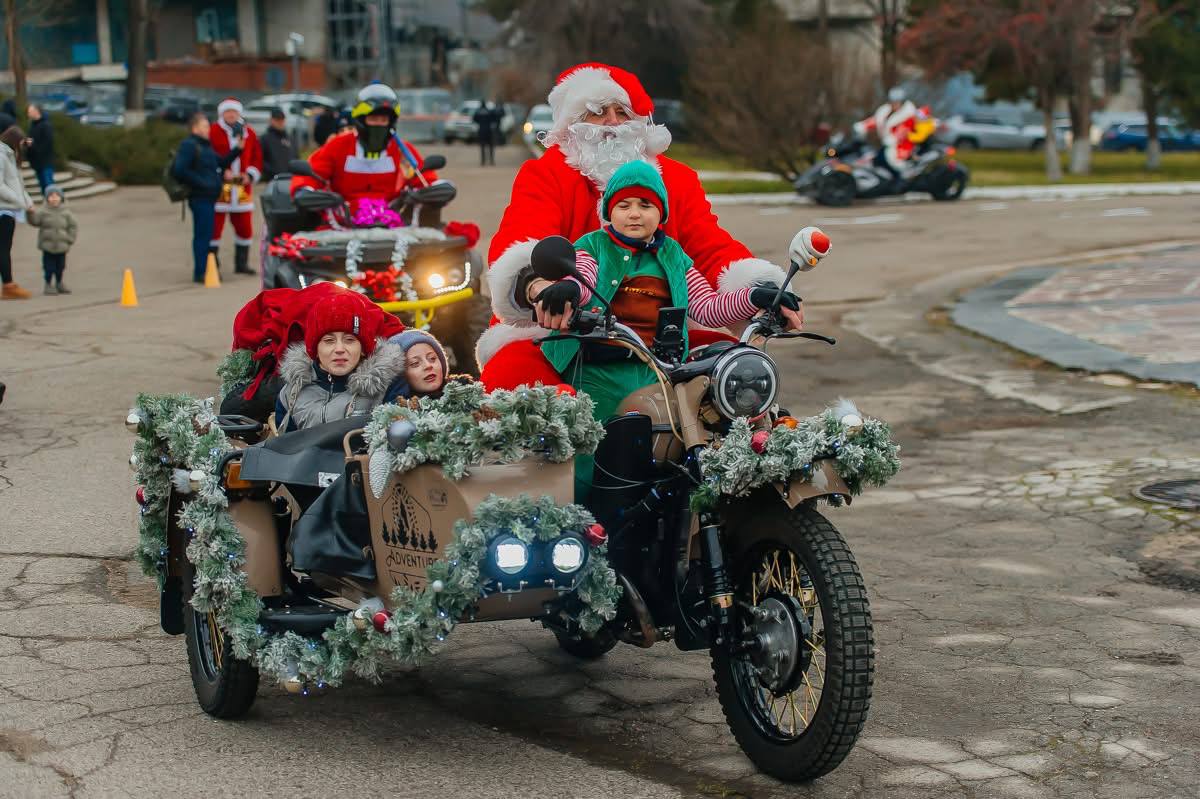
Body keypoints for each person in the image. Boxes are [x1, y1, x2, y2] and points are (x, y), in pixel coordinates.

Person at [478, 62, 802, 393]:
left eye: (624, 111)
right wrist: (540, 287)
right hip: (568, 327)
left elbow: (711, 246)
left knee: (738, 378)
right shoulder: (547, 176)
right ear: (573, 125)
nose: (614, 122)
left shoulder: (676, 180)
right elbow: (524, 239)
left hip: (663, 330)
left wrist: (761, 289)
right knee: (516, 380)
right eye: (598, 111)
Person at [520, 161, 804, 495]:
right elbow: (582, 277)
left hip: (658, 368)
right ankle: (584, 517)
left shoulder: (674, 256)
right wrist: (568, 289)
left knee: (690, 431)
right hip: (600, 366)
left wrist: (754, 296)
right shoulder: (593, 245)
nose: (634, 214)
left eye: (646, 205)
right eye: (623, 206)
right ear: (609, 212)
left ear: (662, 212)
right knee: (590, 442)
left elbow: (707, 307)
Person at [291, 83, 439, 216]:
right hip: (342, 224)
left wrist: (437, 188)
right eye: (373, 119)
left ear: (391, 123)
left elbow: (423, 178)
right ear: (360, 121)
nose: (378, 124)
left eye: (383, 120)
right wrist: (304, 190)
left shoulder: (402, 150)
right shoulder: (338, 146)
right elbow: (312, 174)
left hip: (393, 224)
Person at [274, 290, 406, 433]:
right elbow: (285, 448)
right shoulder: (292, 393)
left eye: (349, 340)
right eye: (329, 341)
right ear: (315, 350)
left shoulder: (388, 387)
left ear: (363, 348)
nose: (339, 349)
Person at [172, 113, 242, 283]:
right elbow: (180, 170)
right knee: (202, 235)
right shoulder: (189, 145)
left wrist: (238, 149)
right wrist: (202, 183)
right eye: (204, 126)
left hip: (210, 197)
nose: (208, 129)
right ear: (195, 128)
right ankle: (201, 272)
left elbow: (222, 162)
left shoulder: (206, 146)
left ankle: (205, 269)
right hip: (199, 197)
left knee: (207, 234)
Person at [209, 98, 263, 275]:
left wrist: (250, 175)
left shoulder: (249, 133)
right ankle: (212, 263)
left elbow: (257, 157)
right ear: (221, 114)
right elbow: (209, 156)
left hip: (241, 187)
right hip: (220, 187)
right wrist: (220, 171)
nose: (231, 115)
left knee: (244, 227)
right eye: (227, 112)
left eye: (234, 112)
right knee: (215, 227)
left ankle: (242, 263)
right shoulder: (213, 132)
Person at [853, 87, 918, 184]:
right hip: (887, 145)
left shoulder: (908, 115)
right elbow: (876, 121)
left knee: (891, 162)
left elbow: (902, 132)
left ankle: (900, 183)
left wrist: (891, 140)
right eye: (893, 102)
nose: (894, 104)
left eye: (897, 102)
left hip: (902, 147)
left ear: (902, 102)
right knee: (876, 161)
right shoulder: (885, 111)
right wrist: (862, 126)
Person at [0, 125, 34, 300]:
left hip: (10, 208)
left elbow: (18, 183)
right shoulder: (1, 155)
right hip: (3, 209)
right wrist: (18, 201)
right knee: (3, 249)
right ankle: (8, 285)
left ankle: (8, 284)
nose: (23, 146)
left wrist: (28, 201)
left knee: (5, 248)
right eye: (21, 142)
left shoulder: (10, 155)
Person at [26, 185, 77, 295]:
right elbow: (35, 222)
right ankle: (48, 284)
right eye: (51, 196)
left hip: (62, 246)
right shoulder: (43, 212)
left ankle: (59, 283)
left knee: (61, 266)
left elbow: (73, 226)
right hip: (47, 246)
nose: (54, 198)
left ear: (61, 198)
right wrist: (30, 214)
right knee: (48, 267)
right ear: (46, 198)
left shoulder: (66, 213)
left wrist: (70, 239)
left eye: (56, 196)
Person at [382, 329, 450, 402]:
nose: (428, 365)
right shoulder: (392, 412)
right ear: (398, 377)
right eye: (415, 363)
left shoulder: (462, 394)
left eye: (432, 358)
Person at [25, 104, 55, 196]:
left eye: (30, 112)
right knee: (43, 185)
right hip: (36, 161)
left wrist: (32, 144)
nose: (28, 114)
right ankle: (47, 203)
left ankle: (55, 203)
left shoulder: (46, 125)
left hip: (45, 161)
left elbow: (47, 143)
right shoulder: (32, 126)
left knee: (48, 184)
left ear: (36, 111)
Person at [261, 107, 297, 182]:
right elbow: (260, 160)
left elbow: (296, 157)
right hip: (272, 180)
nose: (280, 122)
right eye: (277, 120)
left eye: (282, 120)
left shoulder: (289, 138)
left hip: (289, 179)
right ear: (271, 120)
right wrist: (272, 172)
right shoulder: (265, 139)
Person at [473, 99, 500, 166]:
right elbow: (495, 119)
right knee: (491, 146)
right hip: (489, 131)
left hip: (481, 131)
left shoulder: (478, 112)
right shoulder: (489, 111)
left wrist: (480, 123)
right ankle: (491, 160)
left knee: (482, 146)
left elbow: (474, 119)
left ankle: (483, 161)